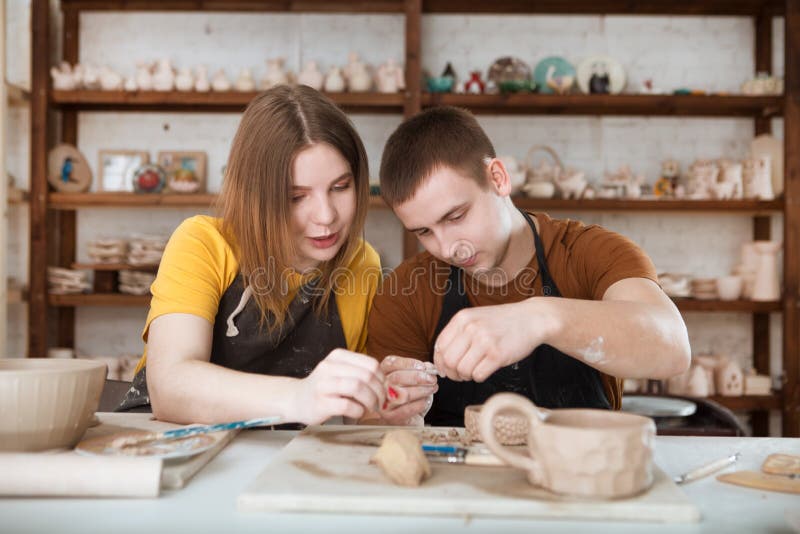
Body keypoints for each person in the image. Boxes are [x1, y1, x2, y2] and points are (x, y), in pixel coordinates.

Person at [367, 106, 691, 427]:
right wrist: (396, 411)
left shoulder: (587, 253)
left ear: (498, 178)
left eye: (456, 217)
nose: (448, 248)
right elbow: (377, 430)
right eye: (424, 232)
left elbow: (673, 349)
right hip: (457, 477)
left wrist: (540, 319)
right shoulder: (407, 290)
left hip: (577, 472)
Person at [117, 85, 386, 426]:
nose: (326, 215)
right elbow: (170, 389)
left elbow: (347, 411)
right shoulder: (203, 243)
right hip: (166, 453)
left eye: (340, 187)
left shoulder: (361, 263)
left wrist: (380, 399)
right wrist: (297, 396)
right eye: (296, 197)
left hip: (282, 460)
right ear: (255, 196)